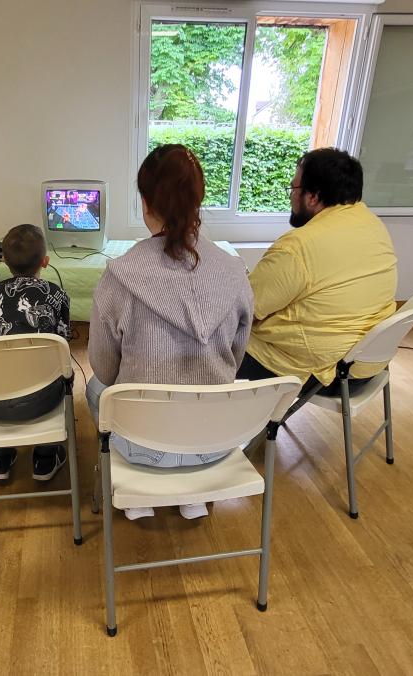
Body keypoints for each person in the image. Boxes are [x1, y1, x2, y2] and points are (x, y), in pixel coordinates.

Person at [87, 144, 254, 521]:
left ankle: (139, 494)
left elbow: (105, 369)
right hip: (213, 443)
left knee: (95, 388)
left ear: (145, 202)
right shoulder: (234, 272)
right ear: (198, 201)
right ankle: (192, 495)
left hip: (141, 444)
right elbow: (235, 357)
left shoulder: (120, 276)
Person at [237, 148, 398, 400]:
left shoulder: (298, 247)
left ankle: (207, 419)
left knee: (204, 344)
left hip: (316, 374)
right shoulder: (372, 225)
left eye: (293, 189)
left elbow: (244, 309)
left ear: (312, 197)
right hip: (366, 365)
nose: (291, 197)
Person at [0, 223, 72, 482]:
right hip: (37, 400)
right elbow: (61, 344)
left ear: (3, 261)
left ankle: (0, 456)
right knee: (64, 371)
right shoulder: (57, 295)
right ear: (45, 262)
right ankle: (45, 457)